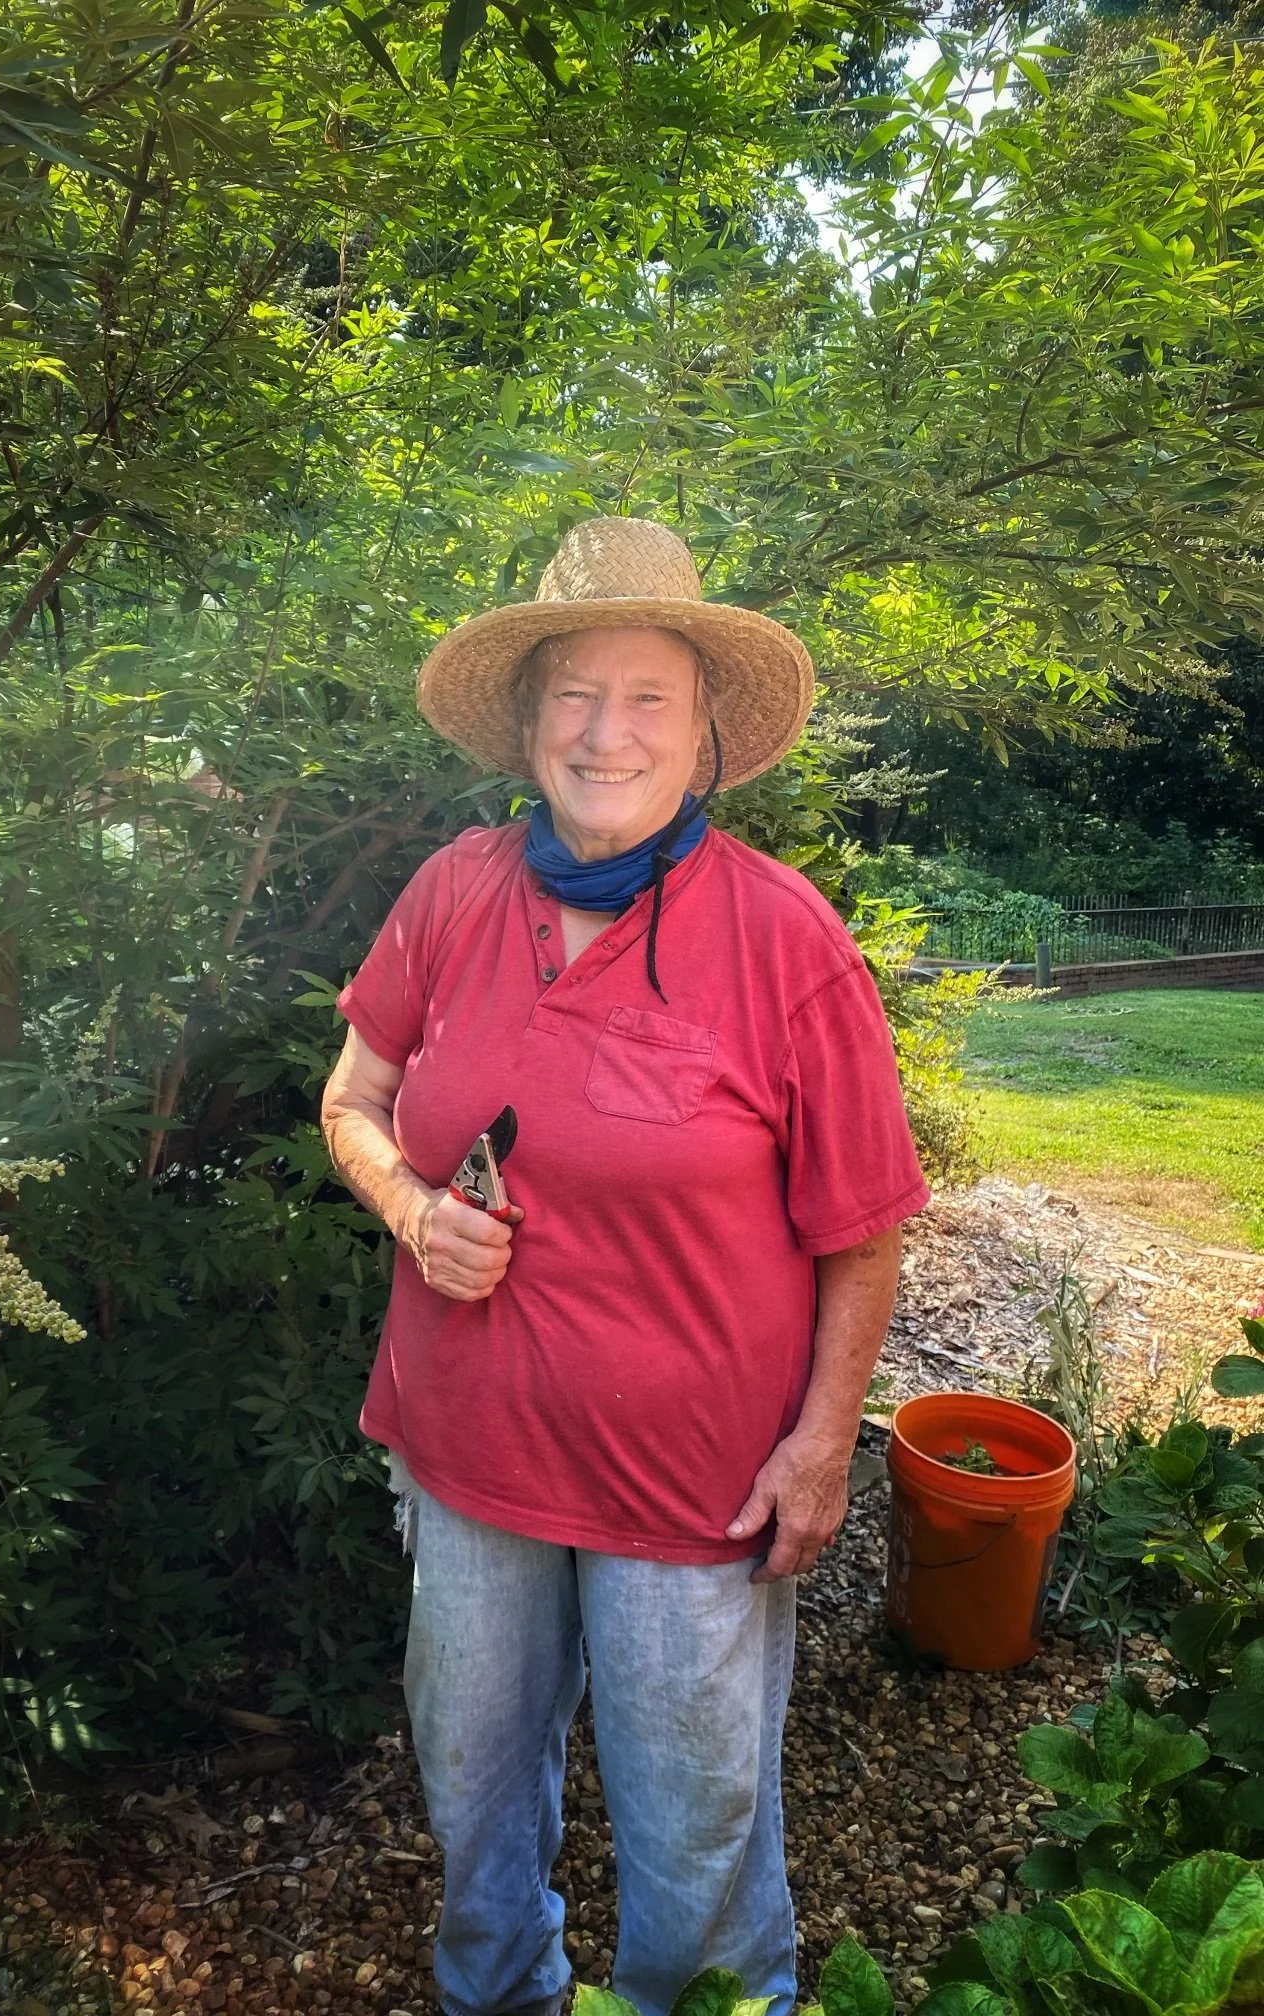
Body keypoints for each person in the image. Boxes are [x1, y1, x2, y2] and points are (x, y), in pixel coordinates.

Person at [320, 517, 929, 2016]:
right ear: (529, 722)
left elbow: (861, 1226)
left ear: (708, 731)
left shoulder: (787, 939)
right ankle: (499, 1999)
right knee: (470, 1804)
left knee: (698, 1847)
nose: (607, 731)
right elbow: (351, 1102)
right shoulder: (455, 890)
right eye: (575, 694)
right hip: (469, 1459)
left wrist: (821, 1447)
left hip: (695, 1485)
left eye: (649, 696)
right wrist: (409, 1212)